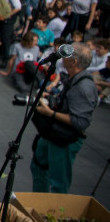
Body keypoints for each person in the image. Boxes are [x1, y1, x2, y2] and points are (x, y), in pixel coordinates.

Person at [31, 42, 98, 193]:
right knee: (38, 166)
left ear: (74, 61)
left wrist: (50, 113)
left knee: (58, 182)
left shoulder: (84, 87)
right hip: (53, 134)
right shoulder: (73, 79)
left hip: (65, 138)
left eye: (68, 52)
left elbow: (80, 121)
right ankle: (38, 202)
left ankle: (50, 211)